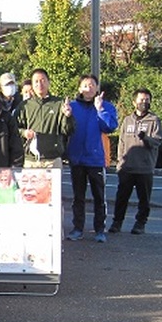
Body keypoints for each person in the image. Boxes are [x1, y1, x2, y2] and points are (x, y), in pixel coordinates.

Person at [66, 74, 118, 242]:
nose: (88, 88)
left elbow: (110, 127)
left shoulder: (106, 106)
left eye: (92, 85)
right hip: (77, 159)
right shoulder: (72, 107)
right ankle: (77, 228)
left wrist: (100, 109)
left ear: (97, 88)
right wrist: (66, 115)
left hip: (96, 159)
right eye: (85, 85)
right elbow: (64, 129)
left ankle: (100, 230)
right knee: (78, 197)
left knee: (99, 197)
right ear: (79, 88)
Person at [110, 88, 162, 235]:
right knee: (122, 197)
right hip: (127, 167)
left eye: (147, 100)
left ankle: (140, 223)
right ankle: (117, 222)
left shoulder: (154, 120)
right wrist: (120, 162)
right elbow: (121, 142)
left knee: (144, 199)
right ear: (134, 102)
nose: (144, 103)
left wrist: (145, 138)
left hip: (144, 167)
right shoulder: (127, 120)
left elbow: (157, 141)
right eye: (141, 100)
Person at [17, 68, 74, 168]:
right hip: (30, 161)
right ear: (32, 85)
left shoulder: (59, 104)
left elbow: (67, 130)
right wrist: (24, 133)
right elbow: (14, 128)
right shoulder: (25, 106)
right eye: (36, 81)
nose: (40, 84)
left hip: (52, 160)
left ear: (48, 82)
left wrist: (68, 116)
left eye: (43, 80)